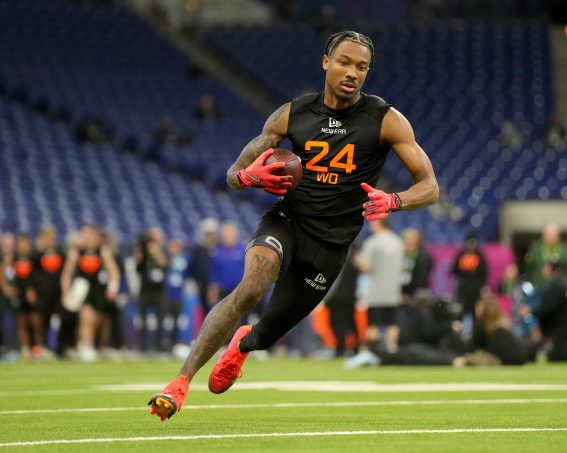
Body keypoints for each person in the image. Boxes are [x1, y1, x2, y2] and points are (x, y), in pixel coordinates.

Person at [148, 30, 439, 421]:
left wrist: (395, 200)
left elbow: (430, 187)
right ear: (325, 62)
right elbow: (234, 173)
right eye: (345, 62)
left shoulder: (386, 119)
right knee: (250, 288)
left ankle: (242, 346)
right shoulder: (291, 114)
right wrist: (250, 177)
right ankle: (179, 384)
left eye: (362, 67)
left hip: (331, 246)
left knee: (266, 334)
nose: (353, 72)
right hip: (287, 221)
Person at [61, 225, 120, 362]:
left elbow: (113, 272)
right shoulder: (76, 252)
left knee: (96, 321)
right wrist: (66, 292)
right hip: (83, 289)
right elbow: (67, 273)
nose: (87, 238)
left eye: (90, 235)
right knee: (85, 317)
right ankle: (85, 347)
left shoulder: (103, 251)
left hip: (98, 290)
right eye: (85, 235)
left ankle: (92, 346)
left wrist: (113, 288)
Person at [520, 259, 567, 362]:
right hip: (557, 327)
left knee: (557, 356)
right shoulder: (560, 283)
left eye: (545, 267)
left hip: (559, 329)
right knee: (538, 353)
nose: (543, 270)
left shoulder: (557, 285)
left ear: (552, 269)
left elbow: (548, 308)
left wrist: (531, 310)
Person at [355, 218, 405, 352]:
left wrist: (358, 260)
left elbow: (367, 267)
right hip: (393, 290)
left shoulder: (372, 242)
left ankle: (371, 350)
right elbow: (402, 267)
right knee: (392, 322)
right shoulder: (398, 242)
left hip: (376, 290)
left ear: (379, 223)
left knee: (373, 322)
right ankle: (392, 349)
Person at [8, 233, 47, 360]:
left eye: (25, 243)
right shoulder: (13, 258)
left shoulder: (35, 258)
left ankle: (39, 348)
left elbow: (41, 276)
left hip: (34, 295)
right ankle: (25, 349)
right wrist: (7, 288)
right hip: (19, 295)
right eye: (20, 244)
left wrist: (34, 290)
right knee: (22, 322)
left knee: (36, 322)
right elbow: (4, 272)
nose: (23, 246)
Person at [472, 296, 536, 365]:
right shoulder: (503, 326)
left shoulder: (483, 326)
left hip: (505, 360)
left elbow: (473, 348)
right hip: (518, 359)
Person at [323, 243, 360, 358]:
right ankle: (354, 348)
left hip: (338, 298)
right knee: (350, 323)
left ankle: (342, 348)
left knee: (337, 323)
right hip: (349, 298)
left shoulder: (339, 260)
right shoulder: (354, 262)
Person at [135, 227, 169, 352]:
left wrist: (155, 251)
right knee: (142, 320)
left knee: (160, 320)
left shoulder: (164, 250)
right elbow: (138, 267)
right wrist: (143, 252)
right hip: (145, 290)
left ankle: (158, 346)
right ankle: (143, 347)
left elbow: (164, 264)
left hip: (159, 291)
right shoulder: (143, 251)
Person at [32, 227, 64, 354]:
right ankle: (42, 347)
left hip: (58, 294)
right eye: (46, 238)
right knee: (41, 321)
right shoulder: (36, 257)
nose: (49, 241)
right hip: (42, 295)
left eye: (51, 238)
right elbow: (31, 275)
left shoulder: (61, 255)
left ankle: (59, 348)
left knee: (59, 321)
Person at [207, 222, 245, 314]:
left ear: (235, 234)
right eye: (224, 234)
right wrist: (212, 291)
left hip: (240, 291)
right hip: (223, 292)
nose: (226, 236)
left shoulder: (244, 249)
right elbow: (214, 273)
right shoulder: (217, 251)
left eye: (229, 233)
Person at [451, 233, 488, 321]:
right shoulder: (462, 254)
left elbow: (484, 273)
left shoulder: (480, 256)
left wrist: (482, 286)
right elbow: (454, 270)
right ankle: (457, 331)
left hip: (475, 289)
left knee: (475, 312)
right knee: (460, 312)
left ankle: (475, 333)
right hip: (463, 289)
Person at [524, 223, 567, 290]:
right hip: (539, 286)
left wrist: (556, 272)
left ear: (558, 236)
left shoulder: (564, 250)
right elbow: (529, 269)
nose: (551, 238)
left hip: (558, 287)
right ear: (543, 236)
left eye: (553, 236)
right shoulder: (535, 249)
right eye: (548, 236)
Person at [188, 218, 219, 315]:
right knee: (207, 315)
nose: (209, 236)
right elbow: (193, 268)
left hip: (220, 288)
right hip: (203, 287)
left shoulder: (220, 249)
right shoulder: (197, 250)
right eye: (207, 234)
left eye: (211, 234)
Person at [401, 227, 433, 303]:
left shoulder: (423, 257)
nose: (404, 241)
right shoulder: (403, 255)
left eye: (406, 239)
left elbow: (421, 278)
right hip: (402, 295)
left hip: (417, 295)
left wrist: (407, 294)